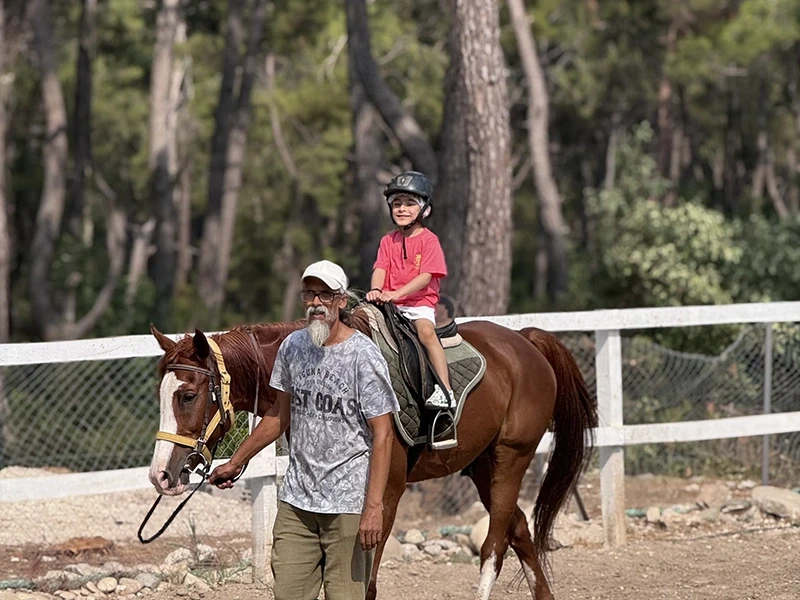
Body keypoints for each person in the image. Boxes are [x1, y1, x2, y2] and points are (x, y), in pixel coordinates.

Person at [210, 260, 399, 600]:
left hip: (348, 506)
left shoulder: (363, 356)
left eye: (324, 295)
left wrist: (374, 507)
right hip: (298, 502)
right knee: (288, 594)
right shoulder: (293, 348)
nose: (316, 303)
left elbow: (383, 433)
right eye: (309, 294)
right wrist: (237, 461)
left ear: (341, 301)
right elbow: (278, 414)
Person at [365, 171, 454, 410]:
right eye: (396, 204)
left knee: (425, 333)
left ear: (424, 209)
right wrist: (375, 289)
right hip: (389, 304)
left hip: (418, 304)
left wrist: (396, 293)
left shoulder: (429, 240)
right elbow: (380, 268)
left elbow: (425, 277)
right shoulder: (387, 240)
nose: (401, 209)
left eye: (409, 203)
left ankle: (445, 390)